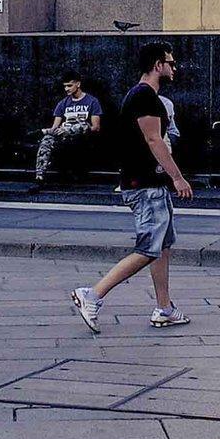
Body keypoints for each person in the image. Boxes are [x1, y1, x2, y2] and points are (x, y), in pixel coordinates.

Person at [71, 42, 195, 333]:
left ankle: (164, 308)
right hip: (144, 183)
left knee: (161, 246)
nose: (174, 68)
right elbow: (154, 141)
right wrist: (177, 177)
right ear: (157, 65)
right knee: (147, 248)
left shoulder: (146, 97)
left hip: (151, 183)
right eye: (171, 63)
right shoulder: (144, 97)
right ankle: (93, 294)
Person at [33, 72, 103, 186]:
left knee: (83, 125)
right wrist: (52, 132)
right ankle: (39, 176)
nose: (66, 89)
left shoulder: (92, 101)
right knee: (47, 139)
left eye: (69, 85)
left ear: (78, 84)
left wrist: (71, 130)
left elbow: (95, 127)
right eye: (65, 86)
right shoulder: (63, 103)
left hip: (83, 136)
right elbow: (55, 127)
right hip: (64, 137)